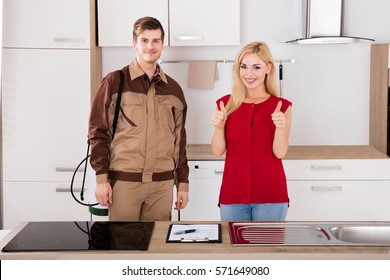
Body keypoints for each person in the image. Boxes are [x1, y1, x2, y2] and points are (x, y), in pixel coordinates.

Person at [88, 16, 189, 221]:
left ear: (162, 44)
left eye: (156, 40)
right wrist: (101, 179)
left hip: (162, 185)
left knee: (157, 248)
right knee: (123, 247)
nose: (150, 46)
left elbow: (179, 141)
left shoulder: (173, 89)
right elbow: (98, 132)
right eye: (144, 40)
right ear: (134, 43)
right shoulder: (114, 81)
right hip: (125, 183)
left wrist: (183, 184)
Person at [211, 41, 292, 221]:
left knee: (266, 249)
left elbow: (280, 152)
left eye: (256, 67)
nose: (249, 73)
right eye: (244, 67)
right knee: (233, 249)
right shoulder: (226, 104)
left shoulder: (281, 106)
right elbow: (217, 151)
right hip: (232, 195)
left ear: (268, 68)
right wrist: (218, 127)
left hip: (271, 195)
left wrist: (280, 127)